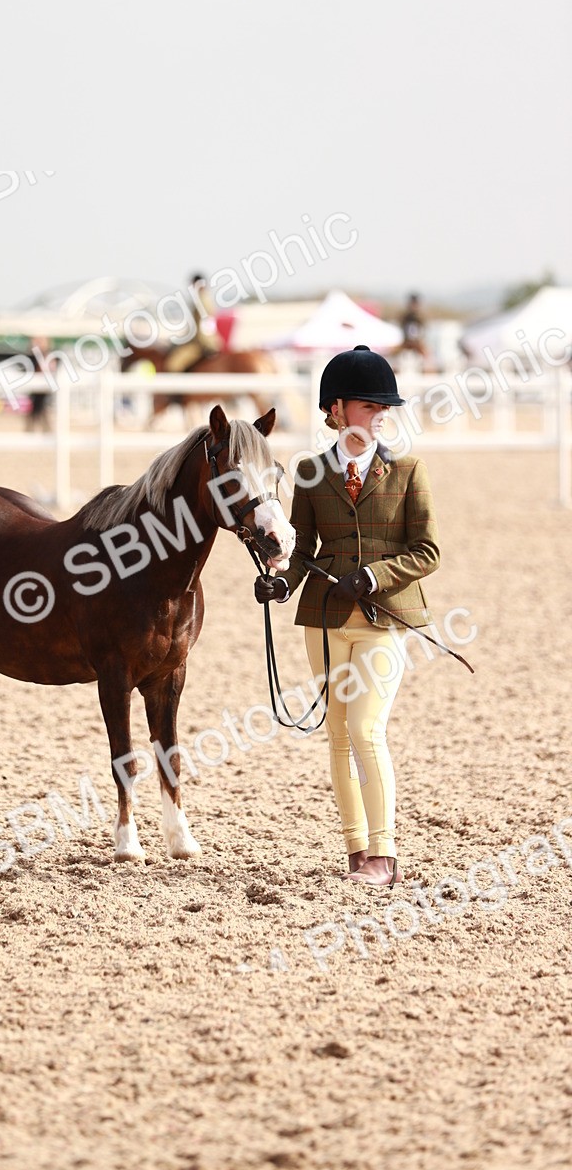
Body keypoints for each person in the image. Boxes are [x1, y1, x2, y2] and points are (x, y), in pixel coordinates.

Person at [255, 345, 440, 886]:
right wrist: (280, 582)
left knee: (365, 726)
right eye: (369, 406)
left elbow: (427, 551)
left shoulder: (407, 471)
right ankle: (356, 852)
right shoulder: (311, 473)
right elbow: (304, 546)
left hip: (384, 618)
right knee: (337, 731)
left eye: (385, 408)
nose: (381, 415)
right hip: (325, 619)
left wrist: (377, 576)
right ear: (336, 411)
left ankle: (384, 855)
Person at [164, 272, 222, 374]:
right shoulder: (205, 299)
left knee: (173, 364)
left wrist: (207, 345)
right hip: (206, 341)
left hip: (200, 344)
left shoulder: (202, 301)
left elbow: (204, 326)